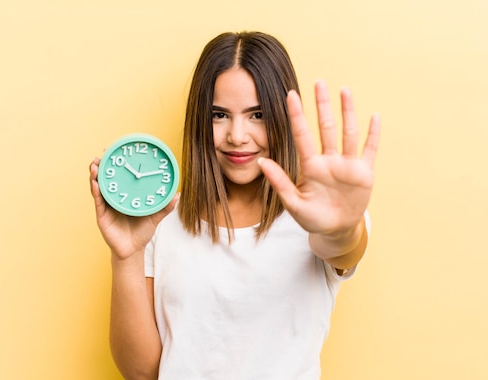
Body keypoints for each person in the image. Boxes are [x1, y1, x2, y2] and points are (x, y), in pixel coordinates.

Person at [89, 31, 380, 380]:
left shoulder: (321, 216)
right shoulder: (160, 220)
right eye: (219, 115)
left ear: (283, 117)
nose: (237, 135)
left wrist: (341, 227)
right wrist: (125, 257)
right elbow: (143, 373)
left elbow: (341, 246)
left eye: (257, 114)